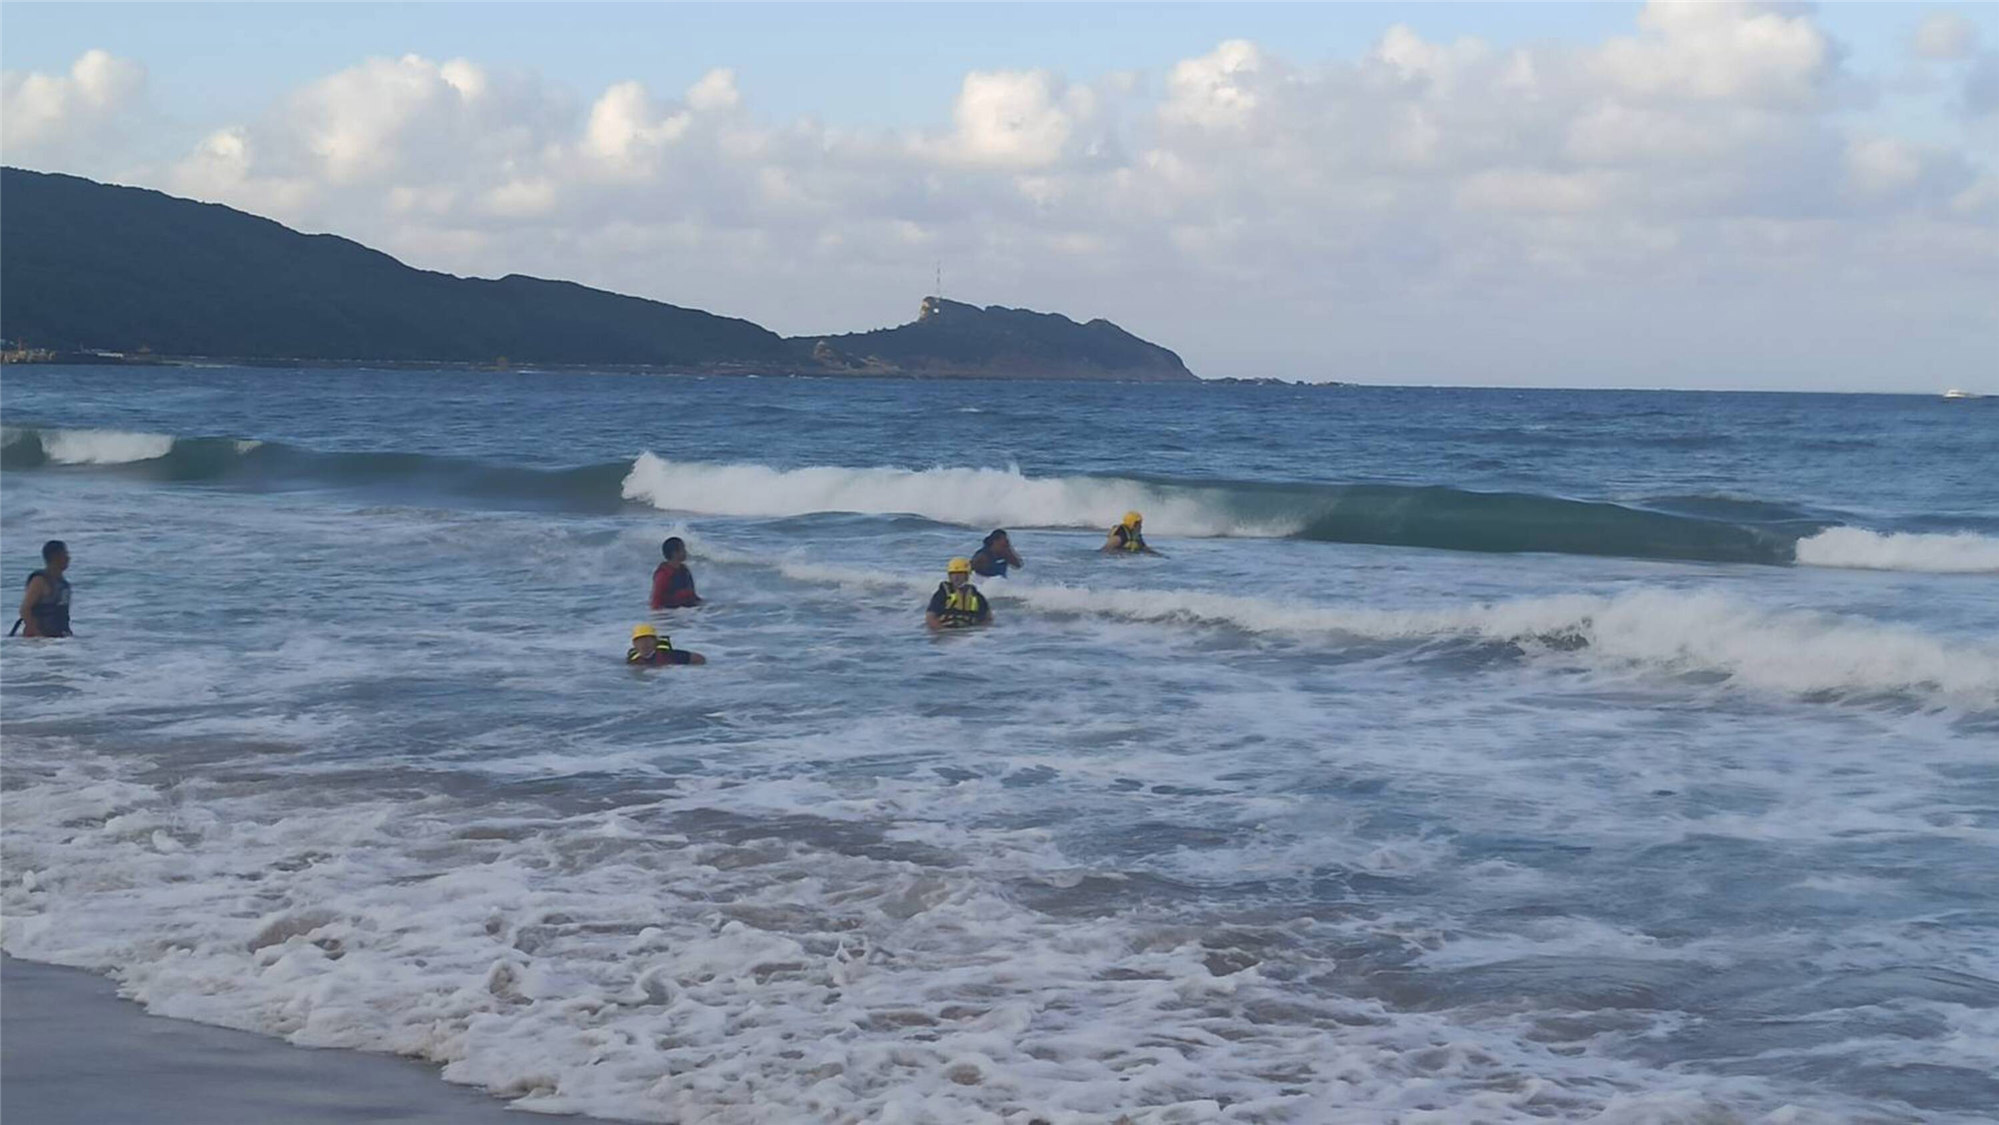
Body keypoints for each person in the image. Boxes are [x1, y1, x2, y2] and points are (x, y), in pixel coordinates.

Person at [12, 540, 72, 638]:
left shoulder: (62, 584)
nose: (68, 558)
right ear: (55, 556)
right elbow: (25, 609)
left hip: (59, 638)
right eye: (65, 554)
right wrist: (37, 635)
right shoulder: (39, 580)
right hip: (39, 642)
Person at [925, 557, 992, 631]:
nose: (956, 577)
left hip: (969, 633)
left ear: (967, 575)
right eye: (953, 574)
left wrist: (978, 633)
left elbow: (987, 618)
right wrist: (943, 631)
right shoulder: (942, 594)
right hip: (946, 631)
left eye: (960, 573)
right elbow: (930, 617)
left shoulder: (977, 596)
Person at [649, 537, 701, 609]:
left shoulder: (685, 570)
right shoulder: (663, 574)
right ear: (675, 553)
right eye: (683, 549)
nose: (686, 552)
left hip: (688, 611)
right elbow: (656, 600)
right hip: (671, 613)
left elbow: (692, 595)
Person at [627, 622, 705, 666]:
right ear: (634, 644)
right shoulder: (633, 662)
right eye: (640, 641)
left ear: (656, 642)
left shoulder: (670, 655)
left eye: (648, 640)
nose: (644, 644)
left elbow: (700, 658)